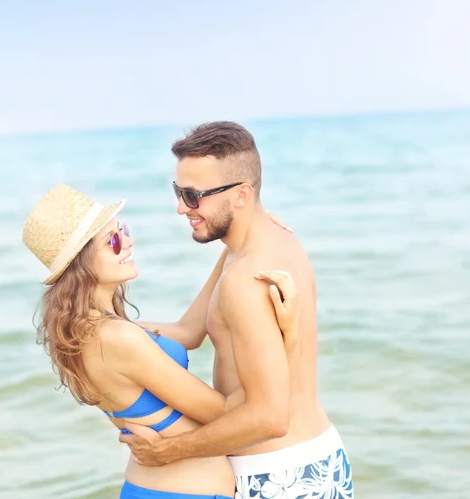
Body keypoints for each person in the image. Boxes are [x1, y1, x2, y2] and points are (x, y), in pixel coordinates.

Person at [120, 122, 354, 499]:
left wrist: (168, 452)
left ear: (242, 195)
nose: (181, 208)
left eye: (194, 196)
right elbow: (189, 331)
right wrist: (98, 326)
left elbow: (270, 417)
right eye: (178, 191)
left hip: (279, 477)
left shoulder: (247, 279)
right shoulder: (265, 243)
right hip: (311, 459)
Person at [22, 183, 299, 499]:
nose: (127, 241)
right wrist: (287, 339)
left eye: (122, 230)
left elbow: (189, 330)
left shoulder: (91, 332)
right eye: (112, 240)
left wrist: (240, 243)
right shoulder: (118, 338)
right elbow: (225, 413)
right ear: (81, 263)